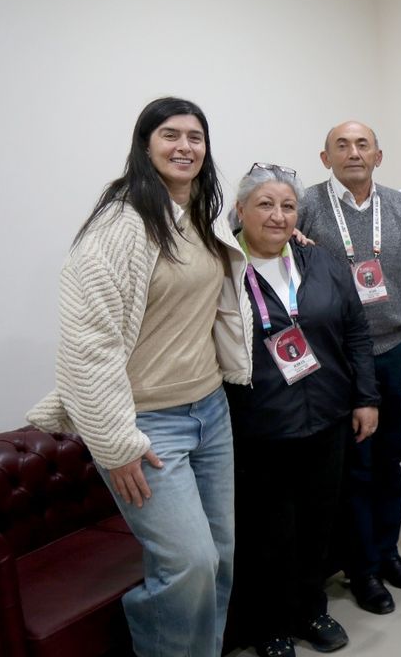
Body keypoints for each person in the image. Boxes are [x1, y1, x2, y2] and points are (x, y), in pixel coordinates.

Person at [26, 97, 252, 656]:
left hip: (210, 411)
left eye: (195, 137)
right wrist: (115, 444)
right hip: (147, 426)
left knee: (219, 557)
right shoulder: (119, 226)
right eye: (170, 135)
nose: (184, 147)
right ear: (145, 145)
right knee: (189, 562)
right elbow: (88, 346)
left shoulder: (199, 216)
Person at [222, 163, 379, 656]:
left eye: (287, 206)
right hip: (260, 425)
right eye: (265, 205)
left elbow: (356, 332)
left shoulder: (320, 261)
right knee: (268, 530)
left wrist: (366, 398)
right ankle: (270, 625)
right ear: (240, 210)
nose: (278, 215)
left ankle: (311, 610)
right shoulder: (222, 268)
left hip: (327, 417)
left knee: (318, 522)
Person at [298, 121, 401, 615]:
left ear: (378, 155)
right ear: (325, 158)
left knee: (390, 461)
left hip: (395, 350)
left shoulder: (396, 205)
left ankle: (388, 553)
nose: (353, 153)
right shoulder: (306, 206)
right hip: (338, 360)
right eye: (342, 145)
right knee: (354, 468)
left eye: (362, 145)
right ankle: (362, 569)